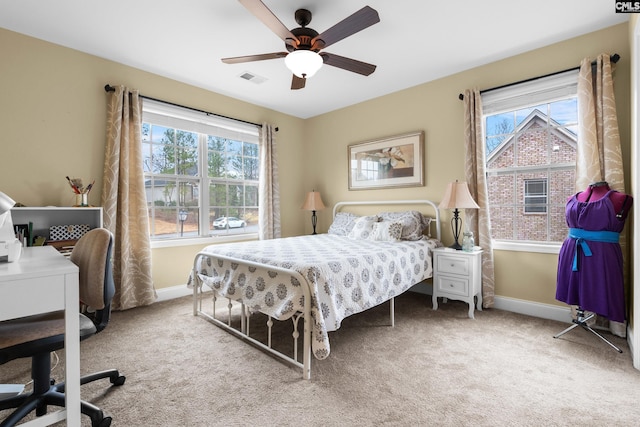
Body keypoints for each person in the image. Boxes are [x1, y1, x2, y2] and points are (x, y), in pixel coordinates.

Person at [555, 181, 633, 323]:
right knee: (575, 288)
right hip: (571, 251)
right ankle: (579, 314)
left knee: (602, 288)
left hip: (602, 253)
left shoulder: (620, 199)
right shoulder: (571, 198)